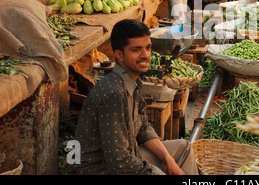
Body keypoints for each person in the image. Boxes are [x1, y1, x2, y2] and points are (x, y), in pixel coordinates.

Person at [74, 19, 199, 175]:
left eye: (148, 48)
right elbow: (119, 161)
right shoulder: (114, 93)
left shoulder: (133, 82)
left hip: (127, 155)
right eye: (136, 50)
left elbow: (143, 128)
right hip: (101, 168)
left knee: (184, 149)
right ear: (119, 55)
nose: (145, 55)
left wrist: (169, 160)